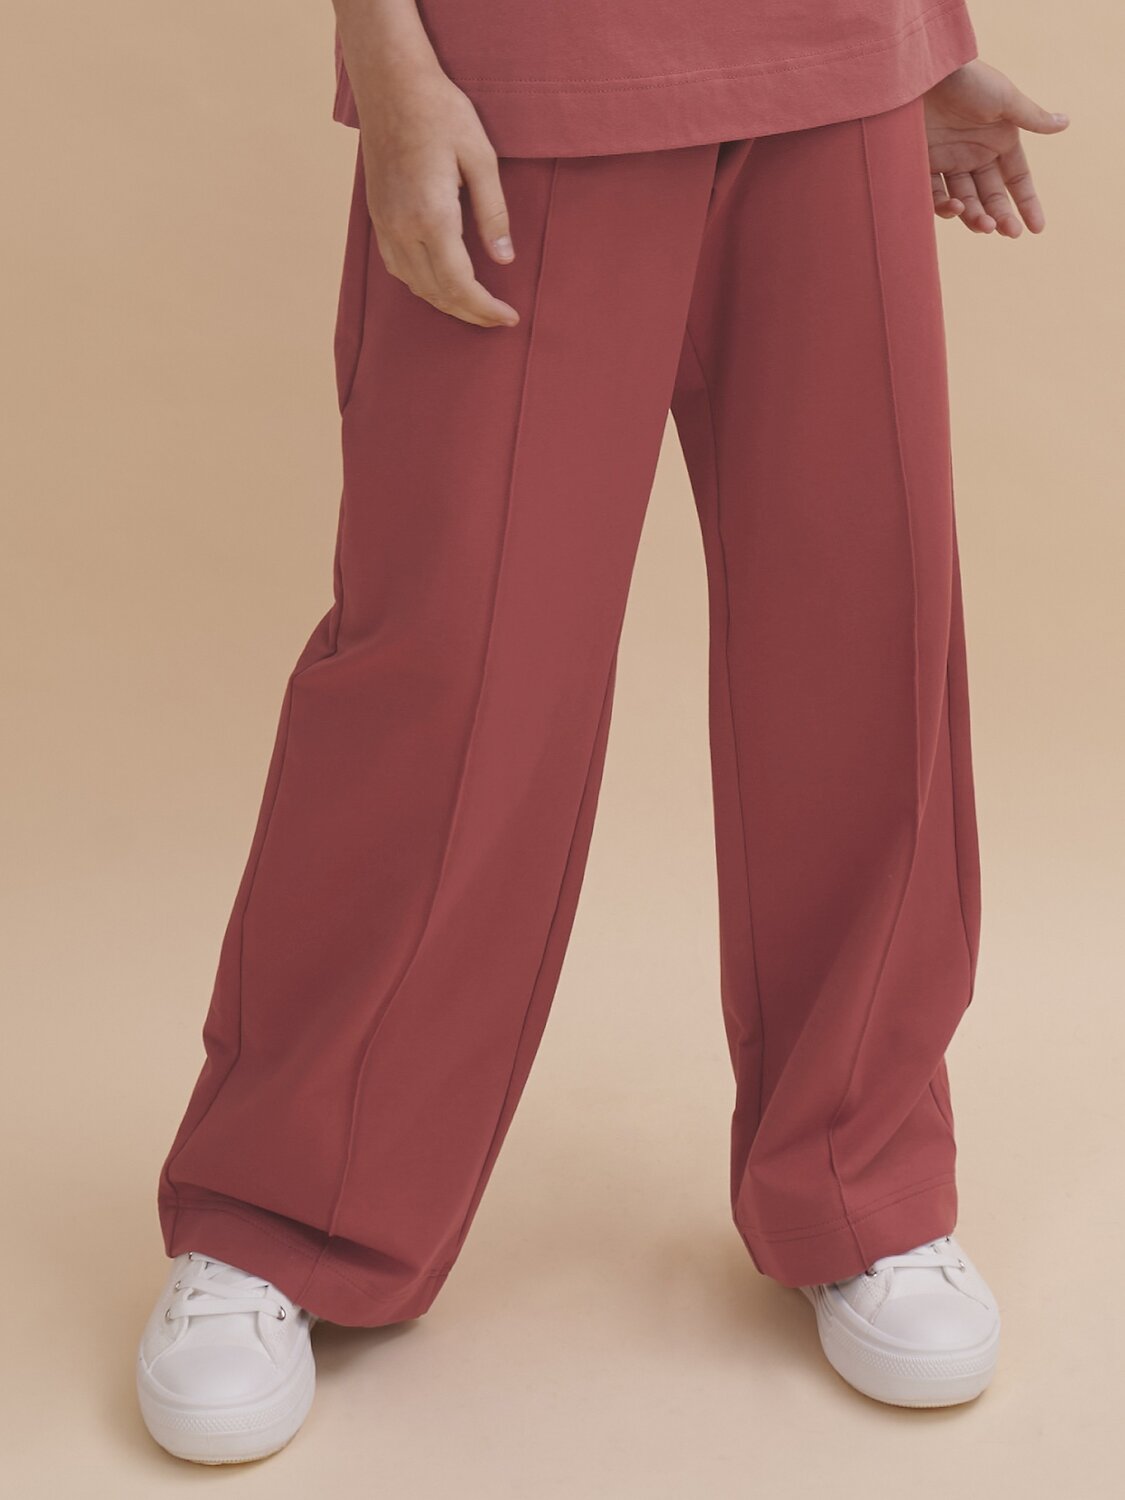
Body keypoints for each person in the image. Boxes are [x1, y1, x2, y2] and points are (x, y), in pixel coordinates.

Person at [135, 0, 1068, 1463]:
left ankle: (861, 1180)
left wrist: (922, 41)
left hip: (838, 67)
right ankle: (282, 1211)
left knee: (862, 644)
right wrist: (390, 63)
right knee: (451, 666)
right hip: (524, 72)